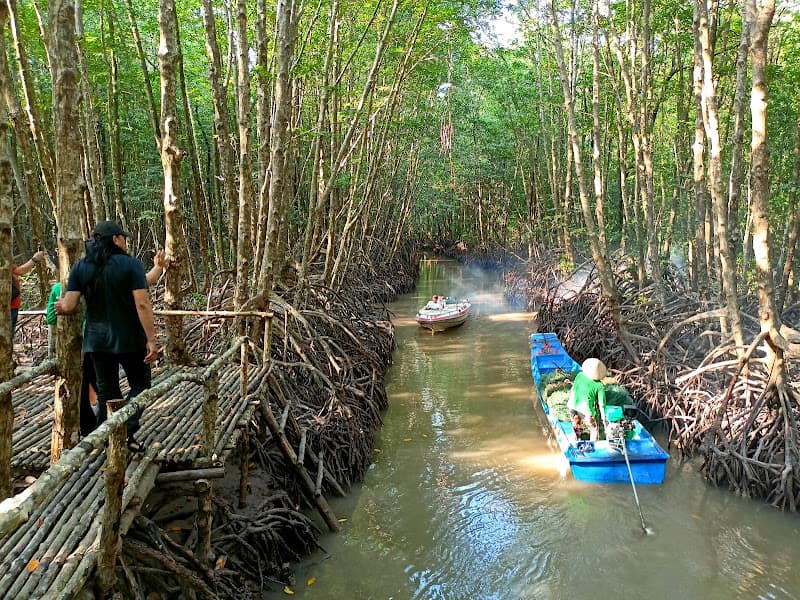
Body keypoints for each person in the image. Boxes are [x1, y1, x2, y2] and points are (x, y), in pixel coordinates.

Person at [56, 221, 158, 451]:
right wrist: (151, 340)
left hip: (97, 342)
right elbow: (142, 304)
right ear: (115, 239)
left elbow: (69, 305)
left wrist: (59, 305)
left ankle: (109, 437)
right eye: (123, 237)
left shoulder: (81, 267)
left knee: (107, 391)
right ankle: (124, 430)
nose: (125, 242)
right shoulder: (131, 264)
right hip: (131, 339)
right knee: (141, 386)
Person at [567, 358, 608, 441]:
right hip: (585, 411)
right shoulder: (599, 385)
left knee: (576, 424)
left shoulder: (580, 375)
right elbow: (602, 404)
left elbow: (573, 389)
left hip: (571, 405)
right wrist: (604, 419)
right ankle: (593, 444)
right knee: (594, 429)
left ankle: (577, 439)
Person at [11, 250, 45, 334]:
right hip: (8, 308)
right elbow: (21, 271)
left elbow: (19, 271)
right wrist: (35, 259)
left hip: (13, 306)